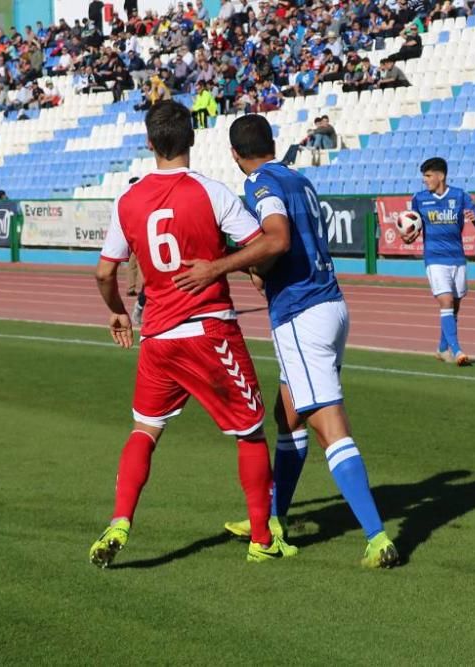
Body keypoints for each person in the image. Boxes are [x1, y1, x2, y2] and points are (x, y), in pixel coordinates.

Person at [173, 114, 399, 569]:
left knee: (327, 422)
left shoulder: (259, 184)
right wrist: (260, 270)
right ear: (273, 143)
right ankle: (272, 518)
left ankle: (377, 537)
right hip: (331, 304)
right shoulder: (300, 178)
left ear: (236, 155)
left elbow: (277, 239)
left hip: (301, 313)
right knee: (288, 414)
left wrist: (218, 267)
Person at [89, 101, 298, 567]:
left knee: (146, 428)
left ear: (149, 143)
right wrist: (251, 272)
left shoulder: (129, 199)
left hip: (157, 337)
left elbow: (105, 272)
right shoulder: (211, 192)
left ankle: (121, 519)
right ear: (193, 139)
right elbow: (261, 245)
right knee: (249, 431)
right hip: (208, 332)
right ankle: (262, 538)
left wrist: (118, 312)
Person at [400, 157, 475, 366]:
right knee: (445, 301)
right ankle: (457, 351)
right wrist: (407, 236)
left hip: (457, 259)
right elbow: (413, 227)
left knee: (454, 306)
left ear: (441, 176)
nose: (425, 180)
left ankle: (441, 348)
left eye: (428, 176)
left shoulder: (460, 196)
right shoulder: (419, 199)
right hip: (435, 259)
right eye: (424, 176)